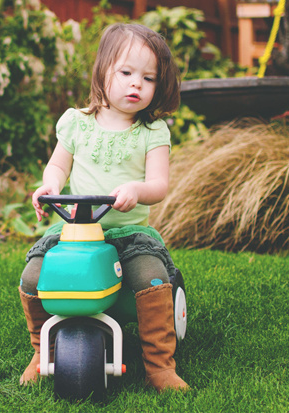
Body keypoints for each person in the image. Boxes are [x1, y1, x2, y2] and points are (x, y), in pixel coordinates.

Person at [18, 22, 189, 392]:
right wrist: (50, 184)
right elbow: (58, 165)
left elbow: (159, 185)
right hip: (77, 231)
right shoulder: (76, 124)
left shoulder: (152, 133)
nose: (136, 84)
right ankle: (41, 349)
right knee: (34, 276)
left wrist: (136, 190)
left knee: (151, 276)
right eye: (126, 72)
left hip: (128, 234)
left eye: (148, 78)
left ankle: (160, 365)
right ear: (102, 71)